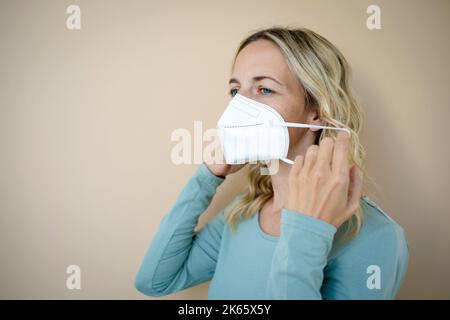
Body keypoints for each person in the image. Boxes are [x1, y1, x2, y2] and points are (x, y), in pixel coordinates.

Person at [134, 27, 409, 299]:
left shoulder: (375, 236)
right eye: (235, 91)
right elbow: (154, 281)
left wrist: (308, 232)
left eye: (264, 89)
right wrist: (208, 176)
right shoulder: (242, 213)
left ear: (317, 113)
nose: (239, 106)